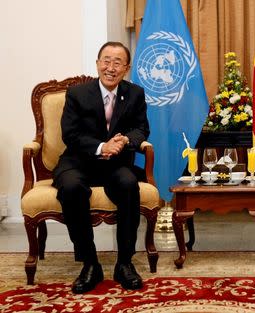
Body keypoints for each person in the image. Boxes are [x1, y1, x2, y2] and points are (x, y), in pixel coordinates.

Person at [53, 41, 150, 294]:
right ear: (97, 64)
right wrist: (101, 147)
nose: (111, 67)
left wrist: (126, 140)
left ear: (126, 68)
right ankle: (90, 264)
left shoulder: (135, 93)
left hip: (115, 164)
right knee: (71, 187)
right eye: (106, 61)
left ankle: (124, 263)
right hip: (78, 161)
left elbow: (142, 128)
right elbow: (70, 135)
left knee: (129, 184)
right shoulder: (77, 93)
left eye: (118, 62)